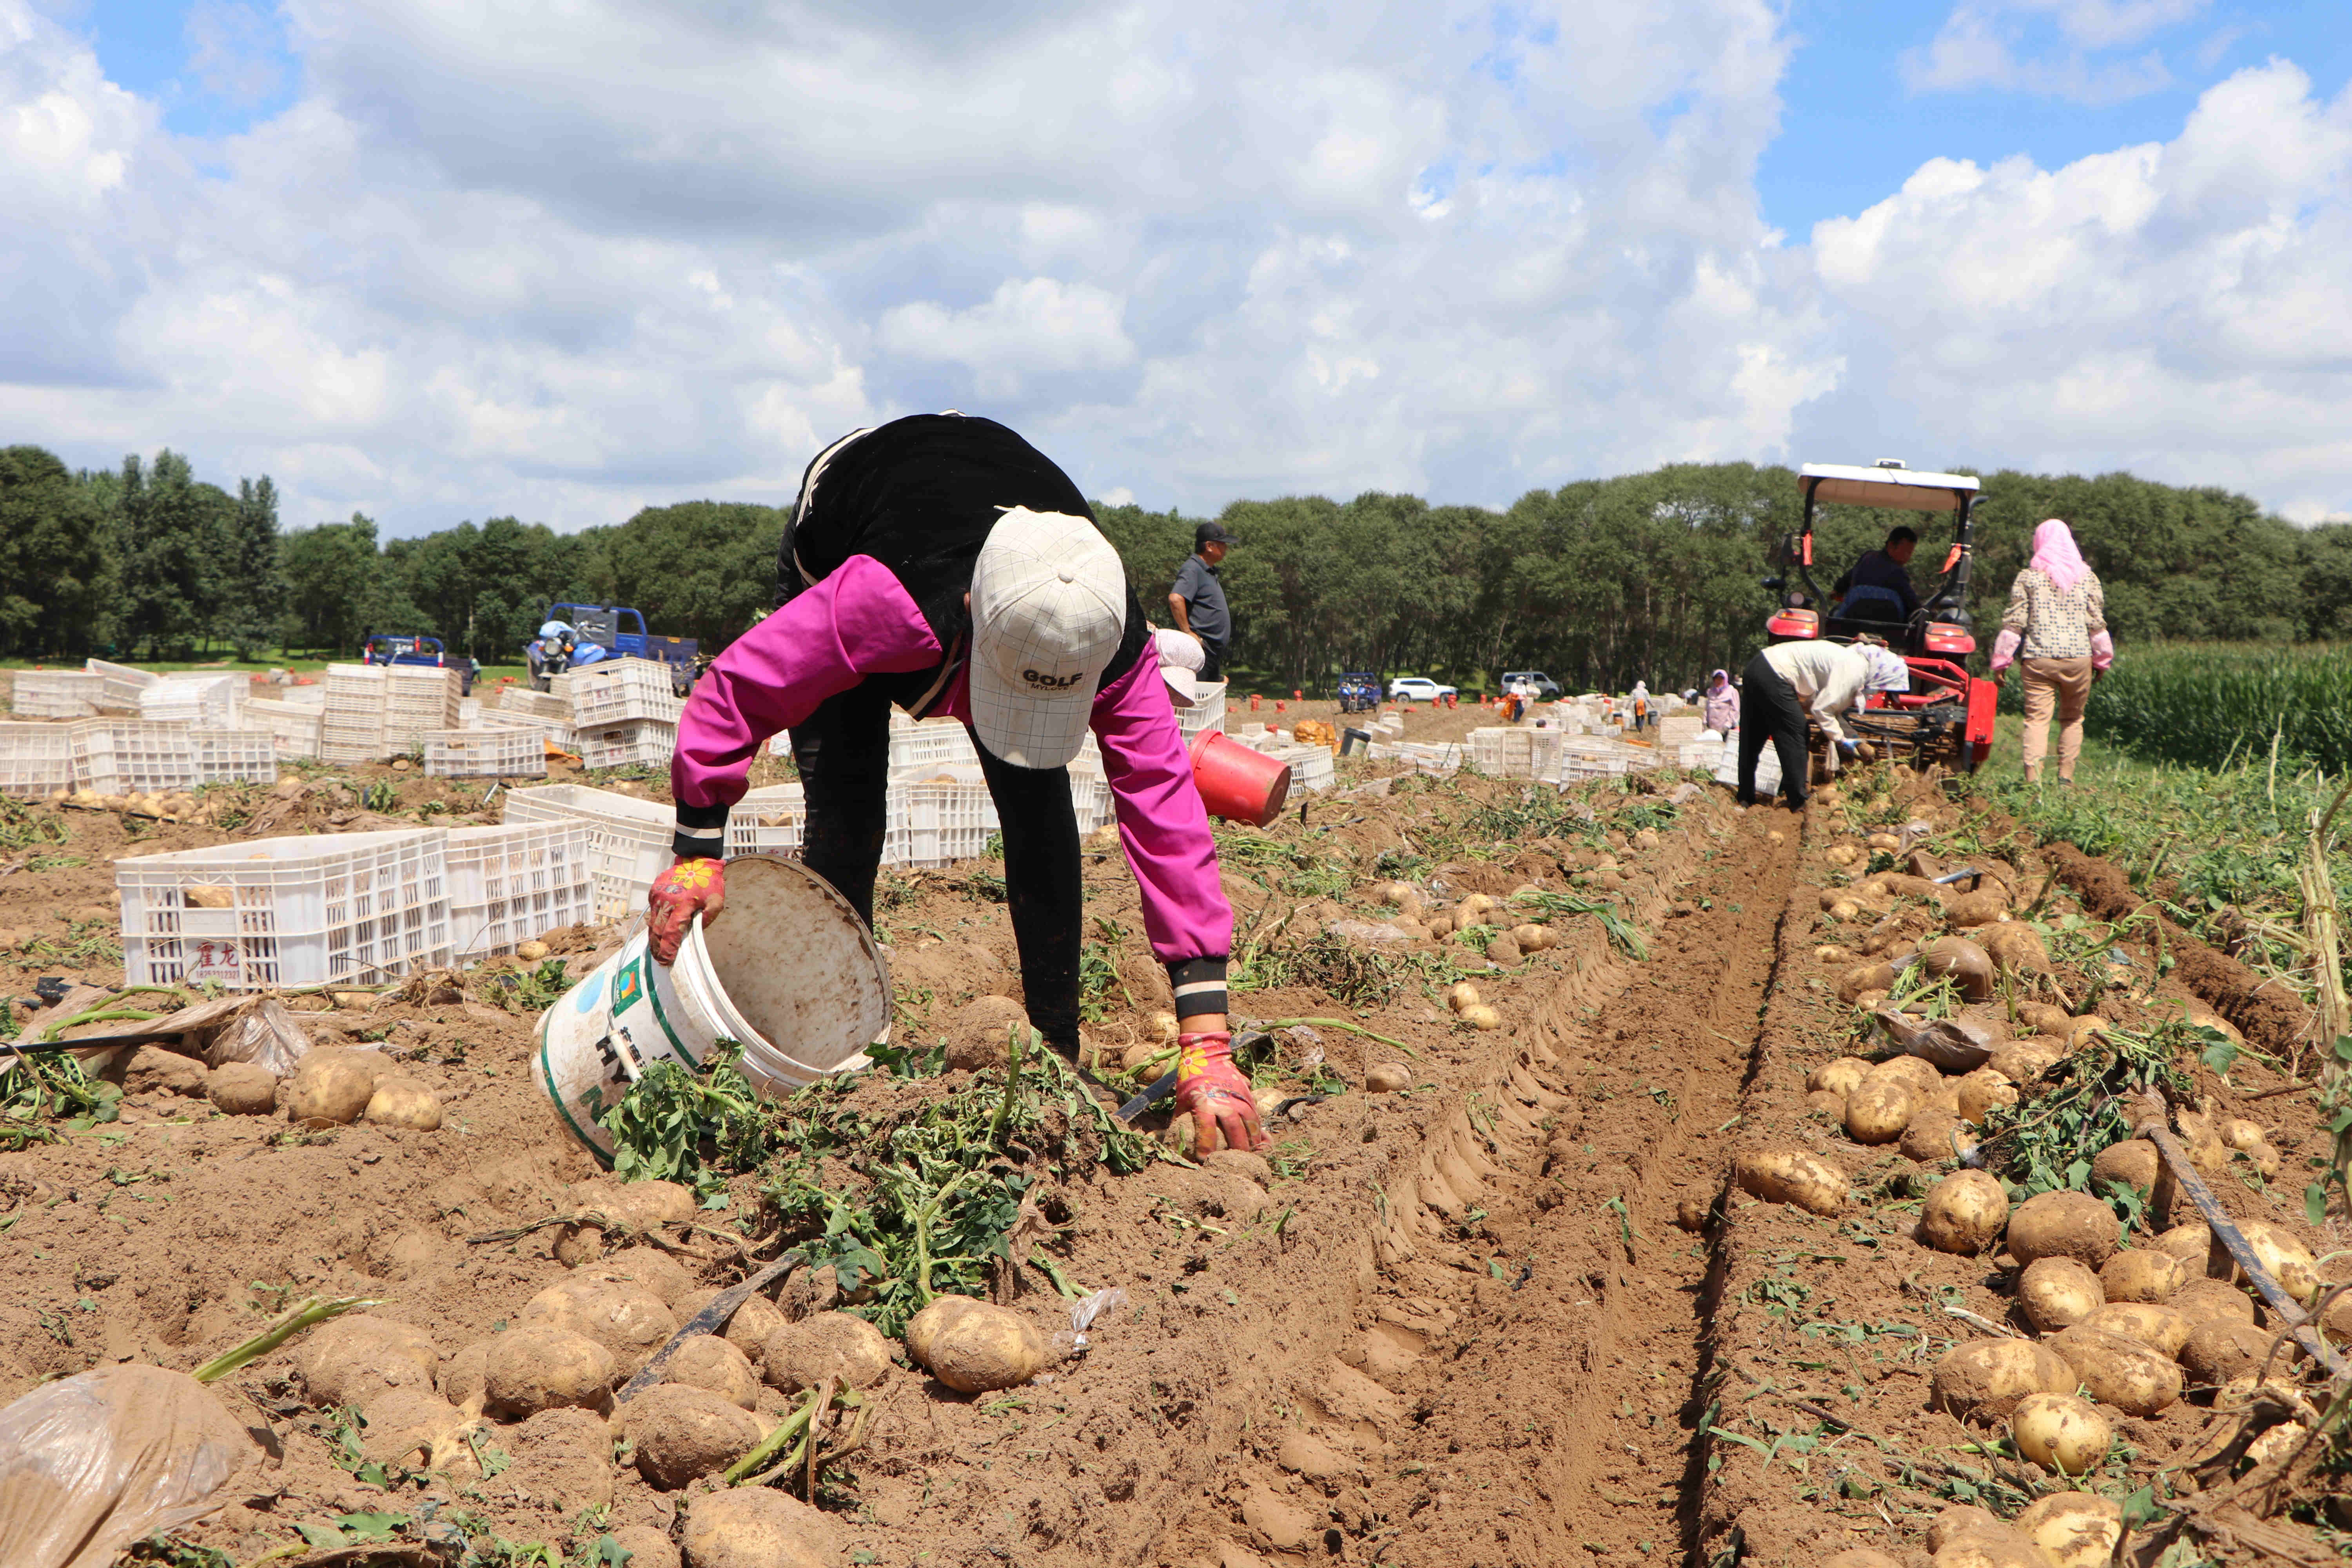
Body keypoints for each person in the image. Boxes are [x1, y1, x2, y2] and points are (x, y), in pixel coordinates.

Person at [648, 413, 1265, 1154]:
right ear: (976, 620)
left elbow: (1166, 817)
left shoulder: (1104, 630)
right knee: (847, 806)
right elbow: (735, 691)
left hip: (982, 521)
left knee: (1037, 801)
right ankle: (839, 1050)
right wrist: (696, 849)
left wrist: (1207, 1041)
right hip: (856, 522)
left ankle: (1054, 1053)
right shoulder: (881, 603)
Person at [1990, 519, 2113, 785]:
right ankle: (2065, 780)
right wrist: (2103, 661)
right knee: (2073, 719)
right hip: (2079, 659)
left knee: (2037, 720)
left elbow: (2014, 624)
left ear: (2040, 542)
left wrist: (2001, 662)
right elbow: (2096, 624)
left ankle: (2033, 783)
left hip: (2038, 659)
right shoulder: (2087, 578)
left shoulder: (2028, 577)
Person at [1737, 640, 1909, 810]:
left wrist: (1854, 739)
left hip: (1758, 666)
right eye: (1883, 688)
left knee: (1753, 734)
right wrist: (1841, 740)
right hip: (1776, 673)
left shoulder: (1853, 661)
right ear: (1883, 675)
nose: (1879, 692)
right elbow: (1822, 710)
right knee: (1797, 732)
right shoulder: (1855, 671)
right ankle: (1798, 801)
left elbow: (1831, 711)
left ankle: (1745, 796)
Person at [1168, 521, 1236, 681]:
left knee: (1211, 691)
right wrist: (1187, 632)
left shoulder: (1207, 571)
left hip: (1211, 653)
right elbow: (1175, 599)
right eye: (1222, 544)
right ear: (1209, 546)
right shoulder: (1193, 568)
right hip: (1200, 650)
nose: (1226, 548)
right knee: (1198, 695)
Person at [1833, 527, 1922, 624]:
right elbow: (1913, 605)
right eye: (1906, 552)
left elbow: (1846, 580)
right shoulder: (1898, 573)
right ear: (1891, 545)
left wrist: (1838, 590)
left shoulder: (1867, 558)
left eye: (1910, 553)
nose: (1908, 557)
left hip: (1852, 624)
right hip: (1889, 628)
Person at [1702, 669, 1739, 736]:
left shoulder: (1732, 691)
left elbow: (1735, 711)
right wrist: (1705, 723)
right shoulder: (1710, 692)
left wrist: (1727, 726)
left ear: (1725, 679)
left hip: (1726, 730)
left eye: (1721, 679)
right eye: (1716, 678)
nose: (1719, 681)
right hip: (1711, 730)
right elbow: (1707, 709)